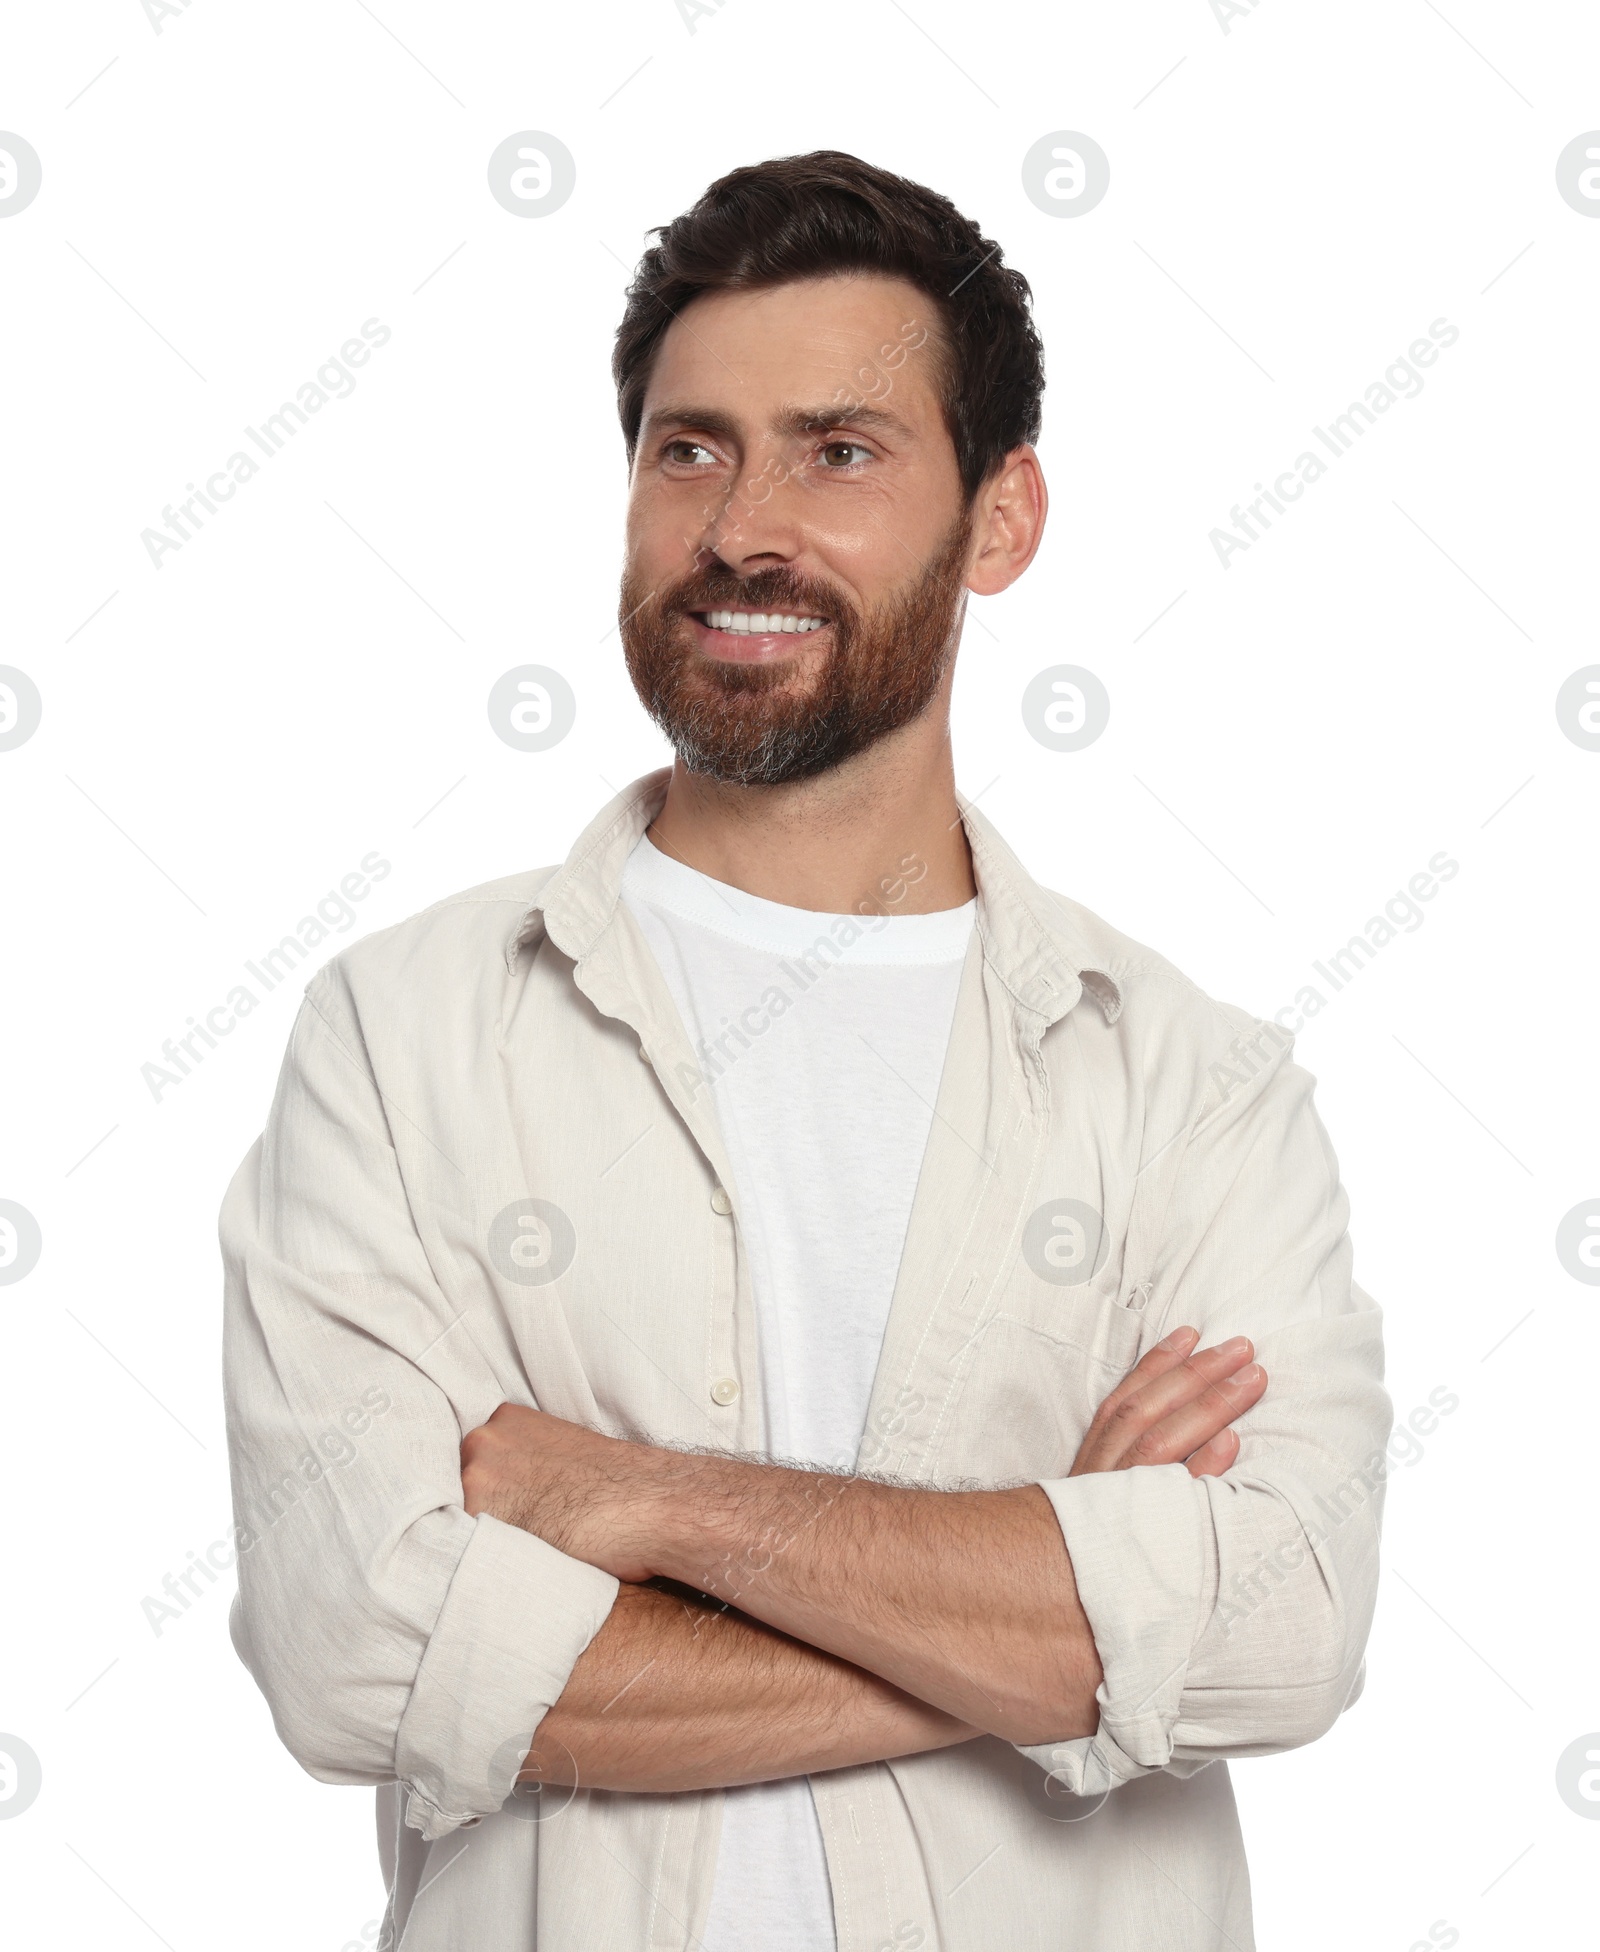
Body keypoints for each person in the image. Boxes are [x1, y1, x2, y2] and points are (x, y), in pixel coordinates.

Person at [221, 150, 1391, 1952]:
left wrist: (636, 1502)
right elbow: (359, 1649)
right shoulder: (400, 1035)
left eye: (838, 452)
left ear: (1001, 520)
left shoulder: (1191, 1088)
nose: (743, 525)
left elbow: (1288, 1624)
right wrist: (1061, 1598)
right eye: (691, 449)